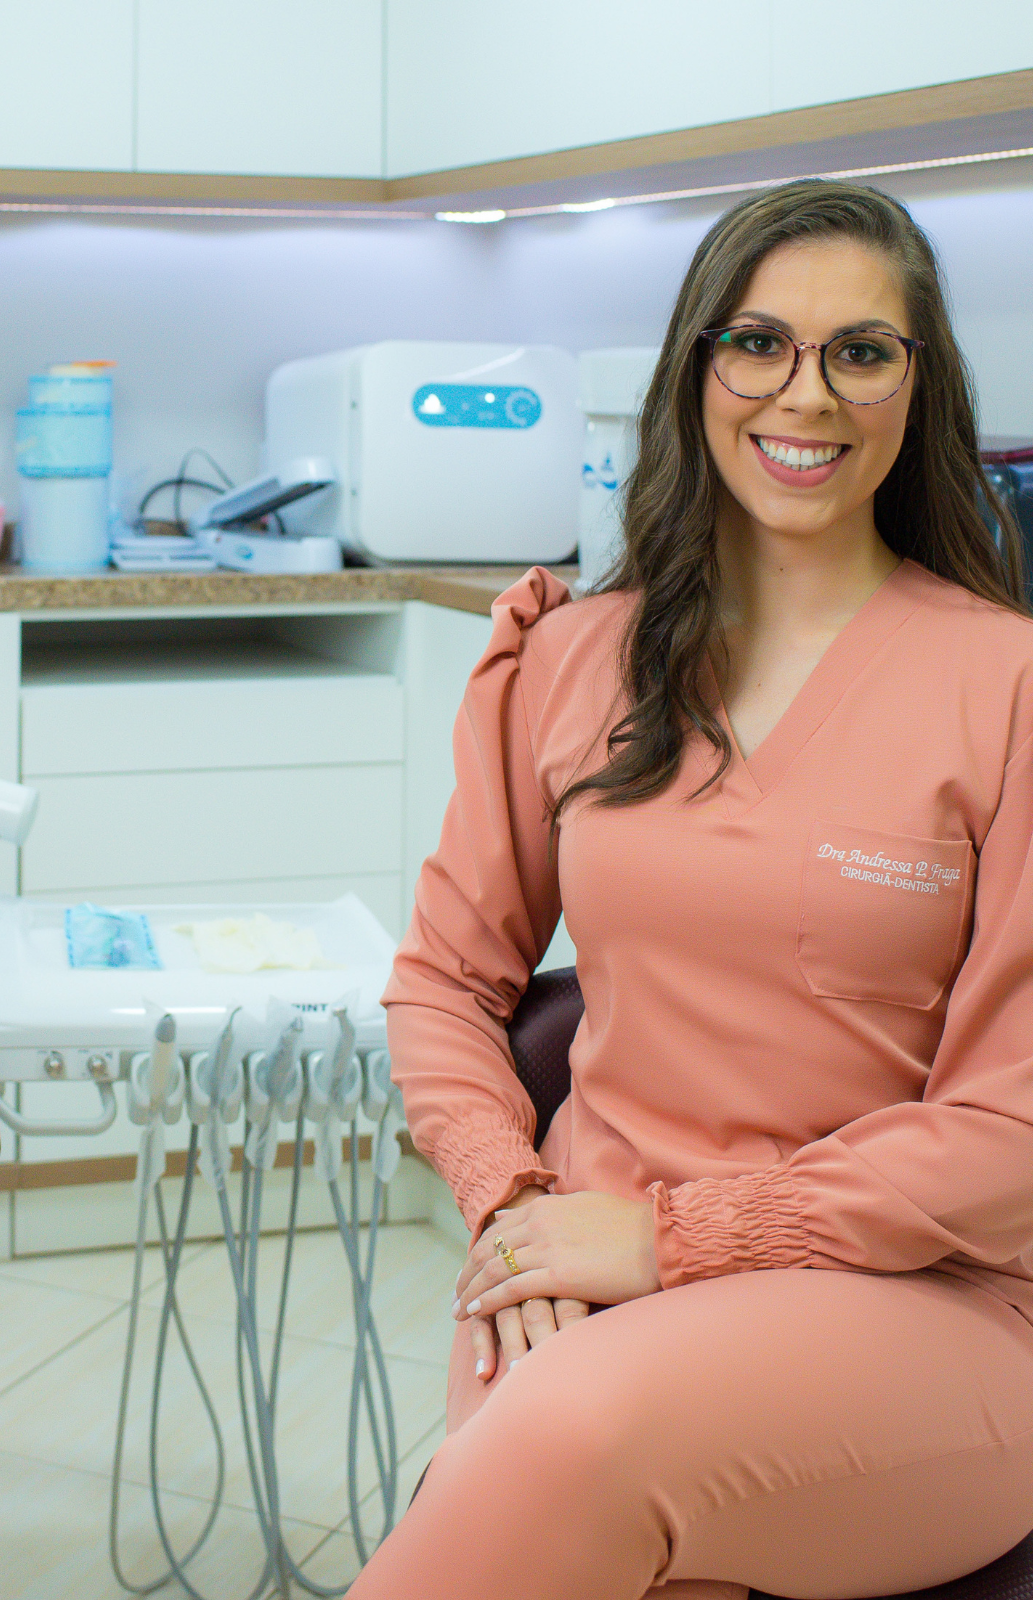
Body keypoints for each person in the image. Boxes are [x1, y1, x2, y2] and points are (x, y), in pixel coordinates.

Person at [347, 180, 1033, 1600]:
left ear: (918, 386)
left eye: (860, 351)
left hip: (925, 1302)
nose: (806, 393)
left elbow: (1011, 1131)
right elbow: (443, 986)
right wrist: (512, 1207)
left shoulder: (1004, 686)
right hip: (578, 1261)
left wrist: (673, 1241)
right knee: (571, 1483)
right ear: (694, 367)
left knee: (563, 1445)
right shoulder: (568, 658)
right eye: (758, 342)